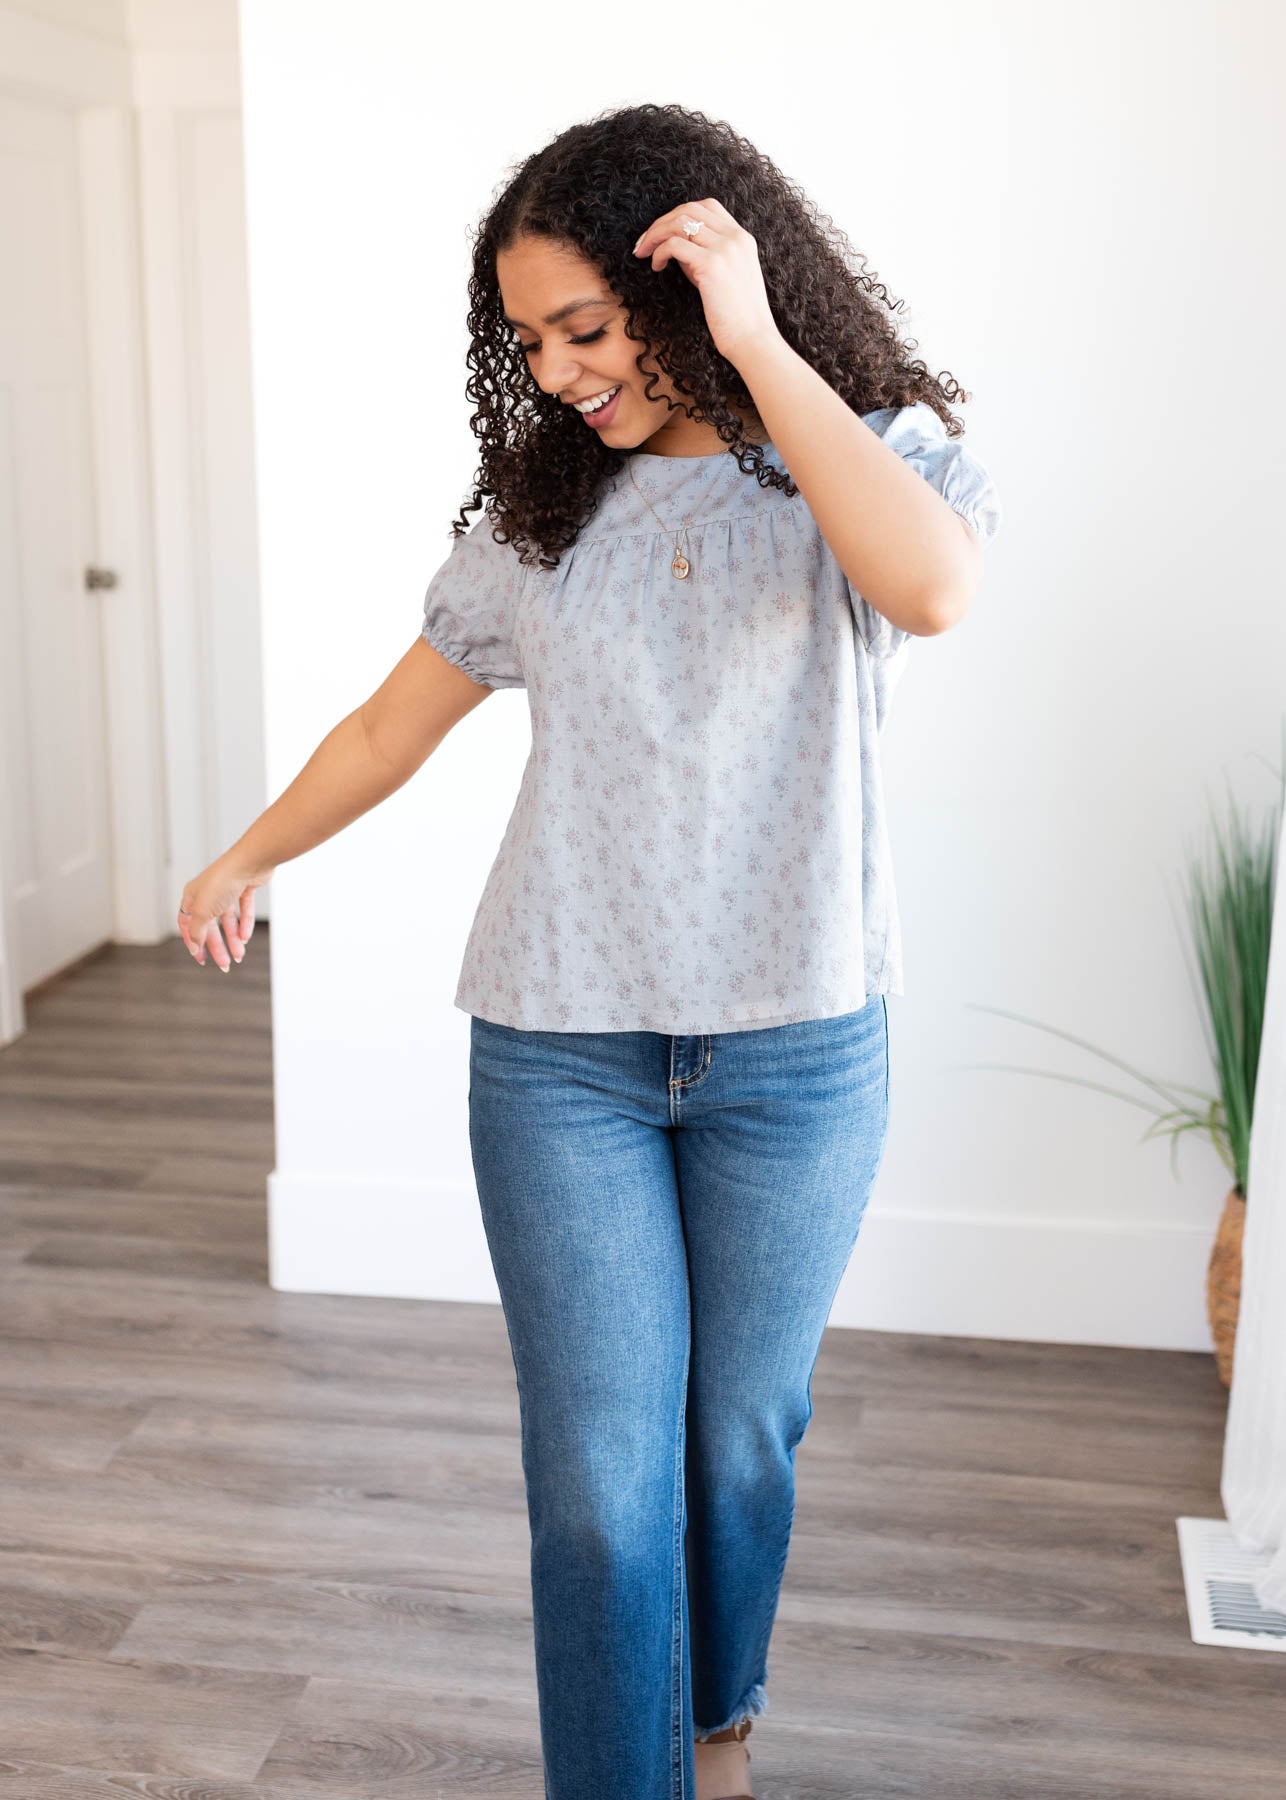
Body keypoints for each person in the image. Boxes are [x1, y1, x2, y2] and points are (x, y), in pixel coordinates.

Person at [178, 100, 1002, 1800]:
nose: (555, 372)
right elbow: (387, 727)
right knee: (601, 1478)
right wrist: (250, 852)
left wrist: (760, 339)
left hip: (795, 1047)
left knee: (735, 1443)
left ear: (680, 288)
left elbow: (928, 592)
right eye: (526, 341)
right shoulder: (547, 515)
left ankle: (716, 1728)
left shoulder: (864, 456)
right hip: (563, 1054)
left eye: (583, 327)